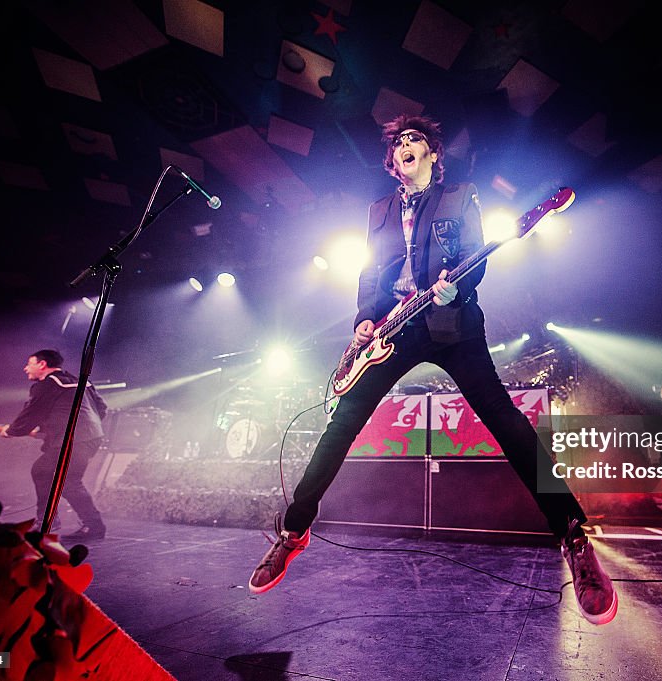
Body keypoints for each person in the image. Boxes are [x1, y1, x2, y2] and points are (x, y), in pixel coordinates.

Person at [248, 115, 617, 625]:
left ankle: (572, 534)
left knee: (506, 421)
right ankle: (294, 531)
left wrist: (457, 288)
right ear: (392, 161)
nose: (405, 145)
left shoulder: (460, 196)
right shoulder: (377, 210)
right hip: (392, 332)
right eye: (398, 141)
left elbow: (475, 257)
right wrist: (364, 321)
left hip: (453, 325)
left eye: (414, 139)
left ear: (432, 155)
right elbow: (371, 274)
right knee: (340, 426)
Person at [0, 349, 108, 541]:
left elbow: (32, 413)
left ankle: (65, 523)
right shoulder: (79, 381)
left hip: (73, 439)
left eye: (29, 363)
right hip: (89, 437)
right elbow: (101, 408)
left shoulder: (48, 384)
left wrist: (11, 431)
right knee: (44, 471)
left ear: (42, 364)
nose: (26, 368)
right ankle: (50, 520)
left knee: (66, 481)